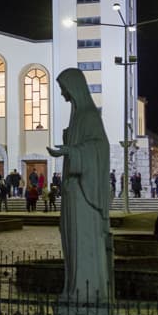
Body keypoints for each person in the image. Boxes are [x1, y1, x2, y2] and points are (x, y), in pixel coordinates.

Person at [47, 68, 111, 299]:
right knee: (72, 244)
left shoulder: (89, 116)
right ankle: (74, 287)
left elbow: (100, 148)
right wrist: (69, 148)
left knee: (82, 243)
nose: (63, 95)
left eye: (64, 89)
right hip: (72, 192)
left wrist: (73, 152)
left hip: (83, 195)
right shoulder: (77, 116)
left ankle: (86, 291)